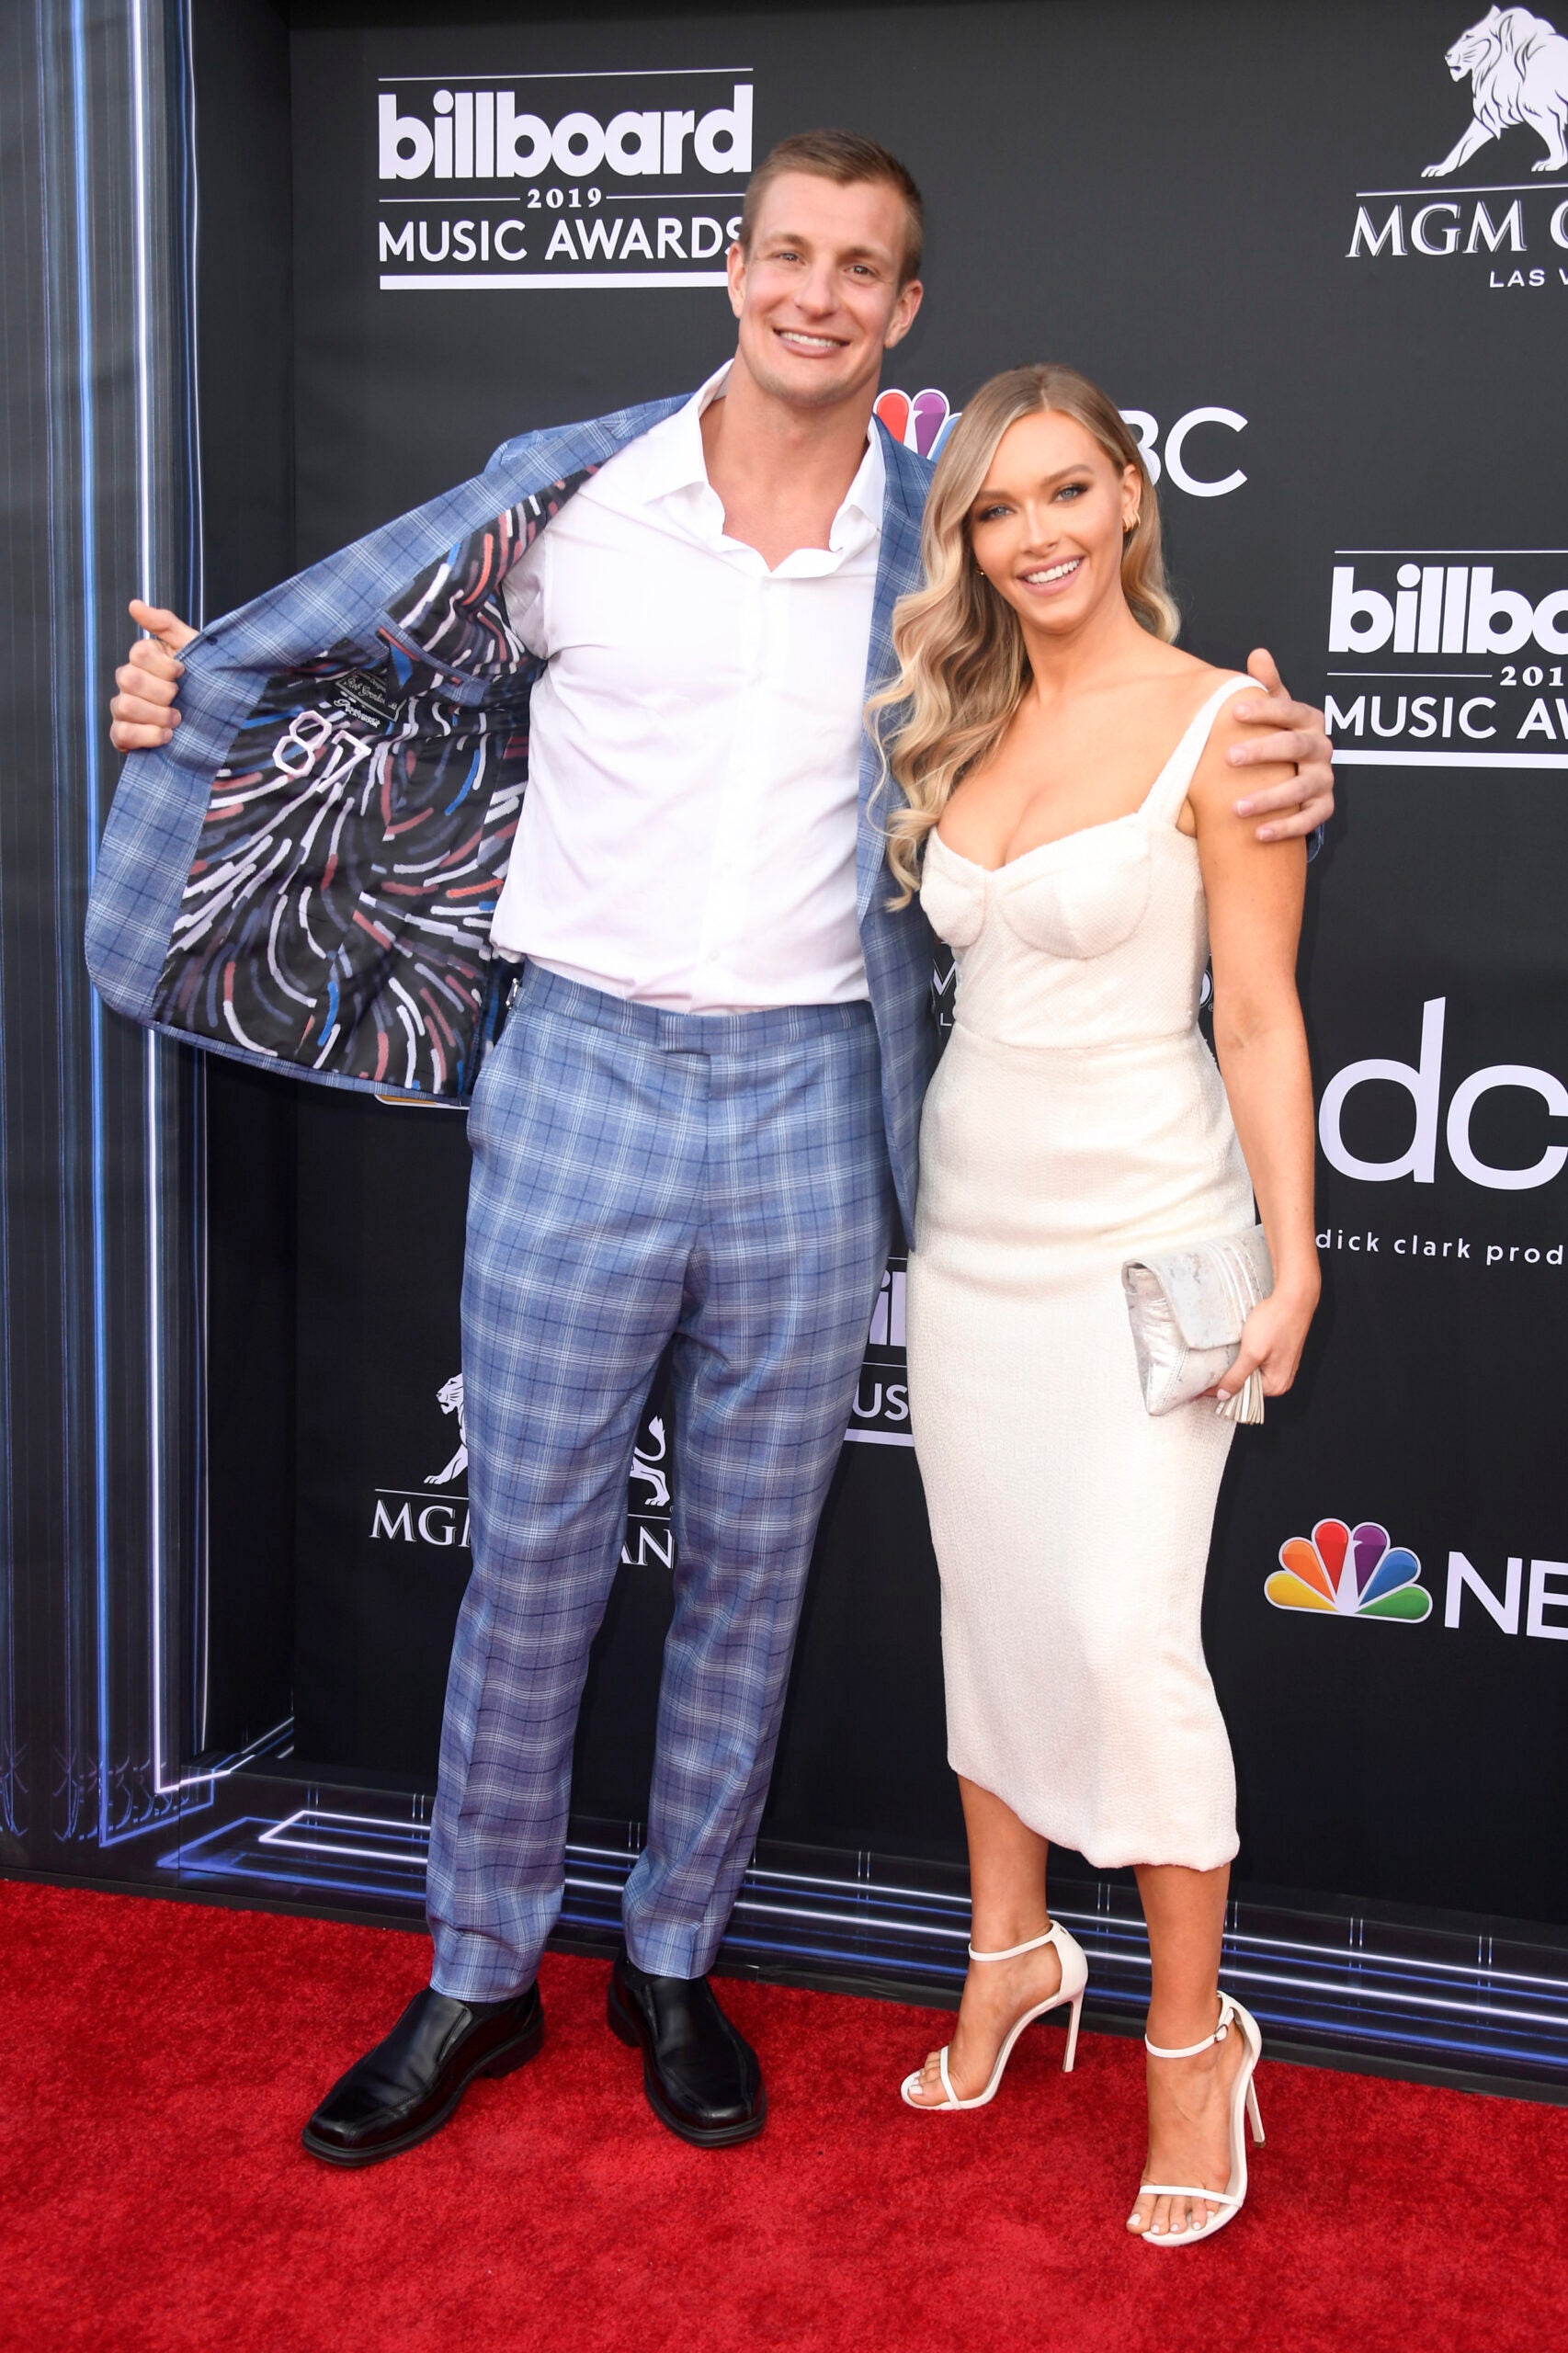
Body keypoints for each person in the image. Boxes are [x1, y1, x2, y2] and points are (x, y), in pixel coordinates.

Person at [96, 138, 1333, 2168]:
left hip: (810, 1101)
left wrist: (1287, 751)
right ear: (732, 267)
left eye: (864, 269)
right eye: (789, 254)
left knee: (751, 1571)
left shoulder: (932, 573)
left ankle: (672, 1956)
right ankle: (478, 1971)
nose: (820, 295)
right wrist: (187, 686)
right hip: (571, 1069)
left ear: (904, 310)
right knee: (530, 1560)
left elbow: (1139, 726)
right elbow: (364, 663)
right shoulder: (573, 494)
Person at [881, 365, 1319, 2244]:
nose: (1036, 533)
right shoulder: (960, 720)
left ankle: (1191, 2034)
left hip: (1152, 1240)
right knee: (991, 1611)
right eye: (996, 506)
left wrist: (1297, 1257)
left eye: (1067, 491)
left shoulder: (1231, 725)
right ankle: (1008, 1953)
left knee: (1123, 1632)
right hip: (967, 1240)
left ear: (1131, 497)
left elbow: (1255, 1014)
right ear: (967, 539)